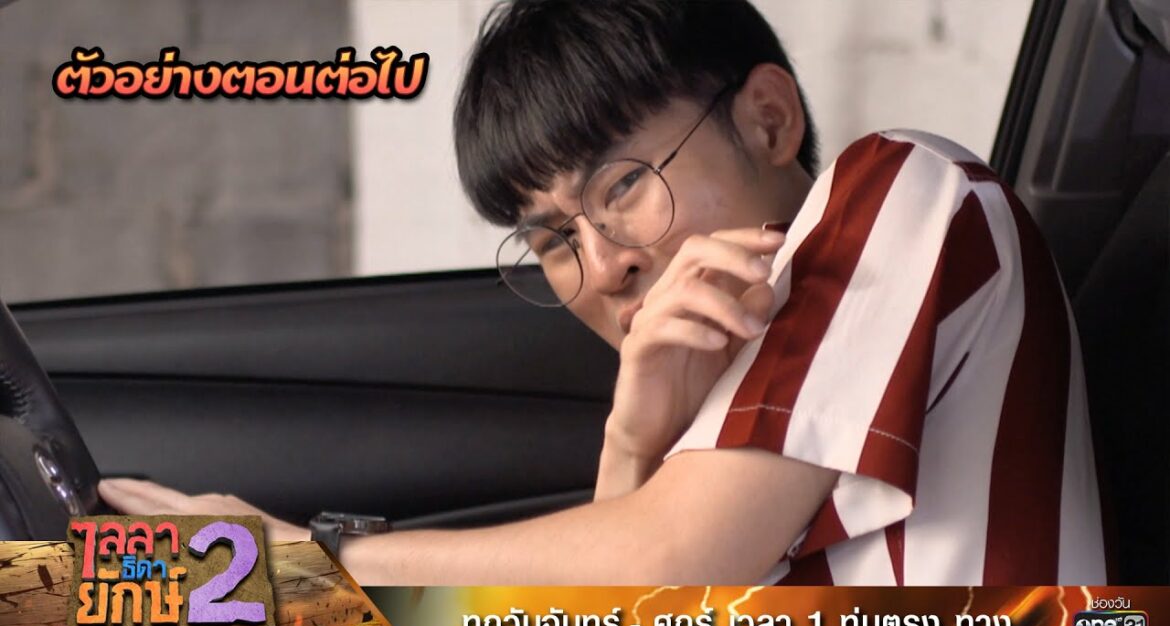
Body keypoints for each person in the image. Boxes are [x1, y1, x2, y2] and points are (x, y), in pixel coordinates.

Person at [99, 0, 1107, 585]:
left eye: (623, 187)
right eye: (553, 239)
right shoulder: (720, 395)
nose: (603, 262)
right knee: (89, 609)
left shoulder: (900, 189)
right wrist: (632, 445)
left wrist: (311, 564)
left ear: (767, 120)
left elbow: (669, 563)